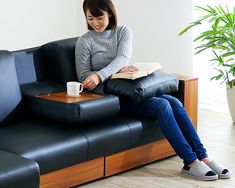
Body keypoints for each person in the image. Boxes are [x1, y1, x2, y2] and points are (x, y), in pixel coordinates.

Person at [75, 0, 231, 181]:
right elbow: (84, 77)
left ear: (109, 13)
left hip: (133, 90)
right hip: (112, 98)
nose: (95, 23)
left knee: (175, 102)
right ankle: (190, 162)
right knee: (162, 105)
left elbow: (123, 58)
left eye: (99, 17)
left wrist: (105, 72)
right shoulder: (85, 41)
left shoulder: (123, 32)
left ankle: (203, 156)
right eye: (90, 18)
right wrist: (110, 73)